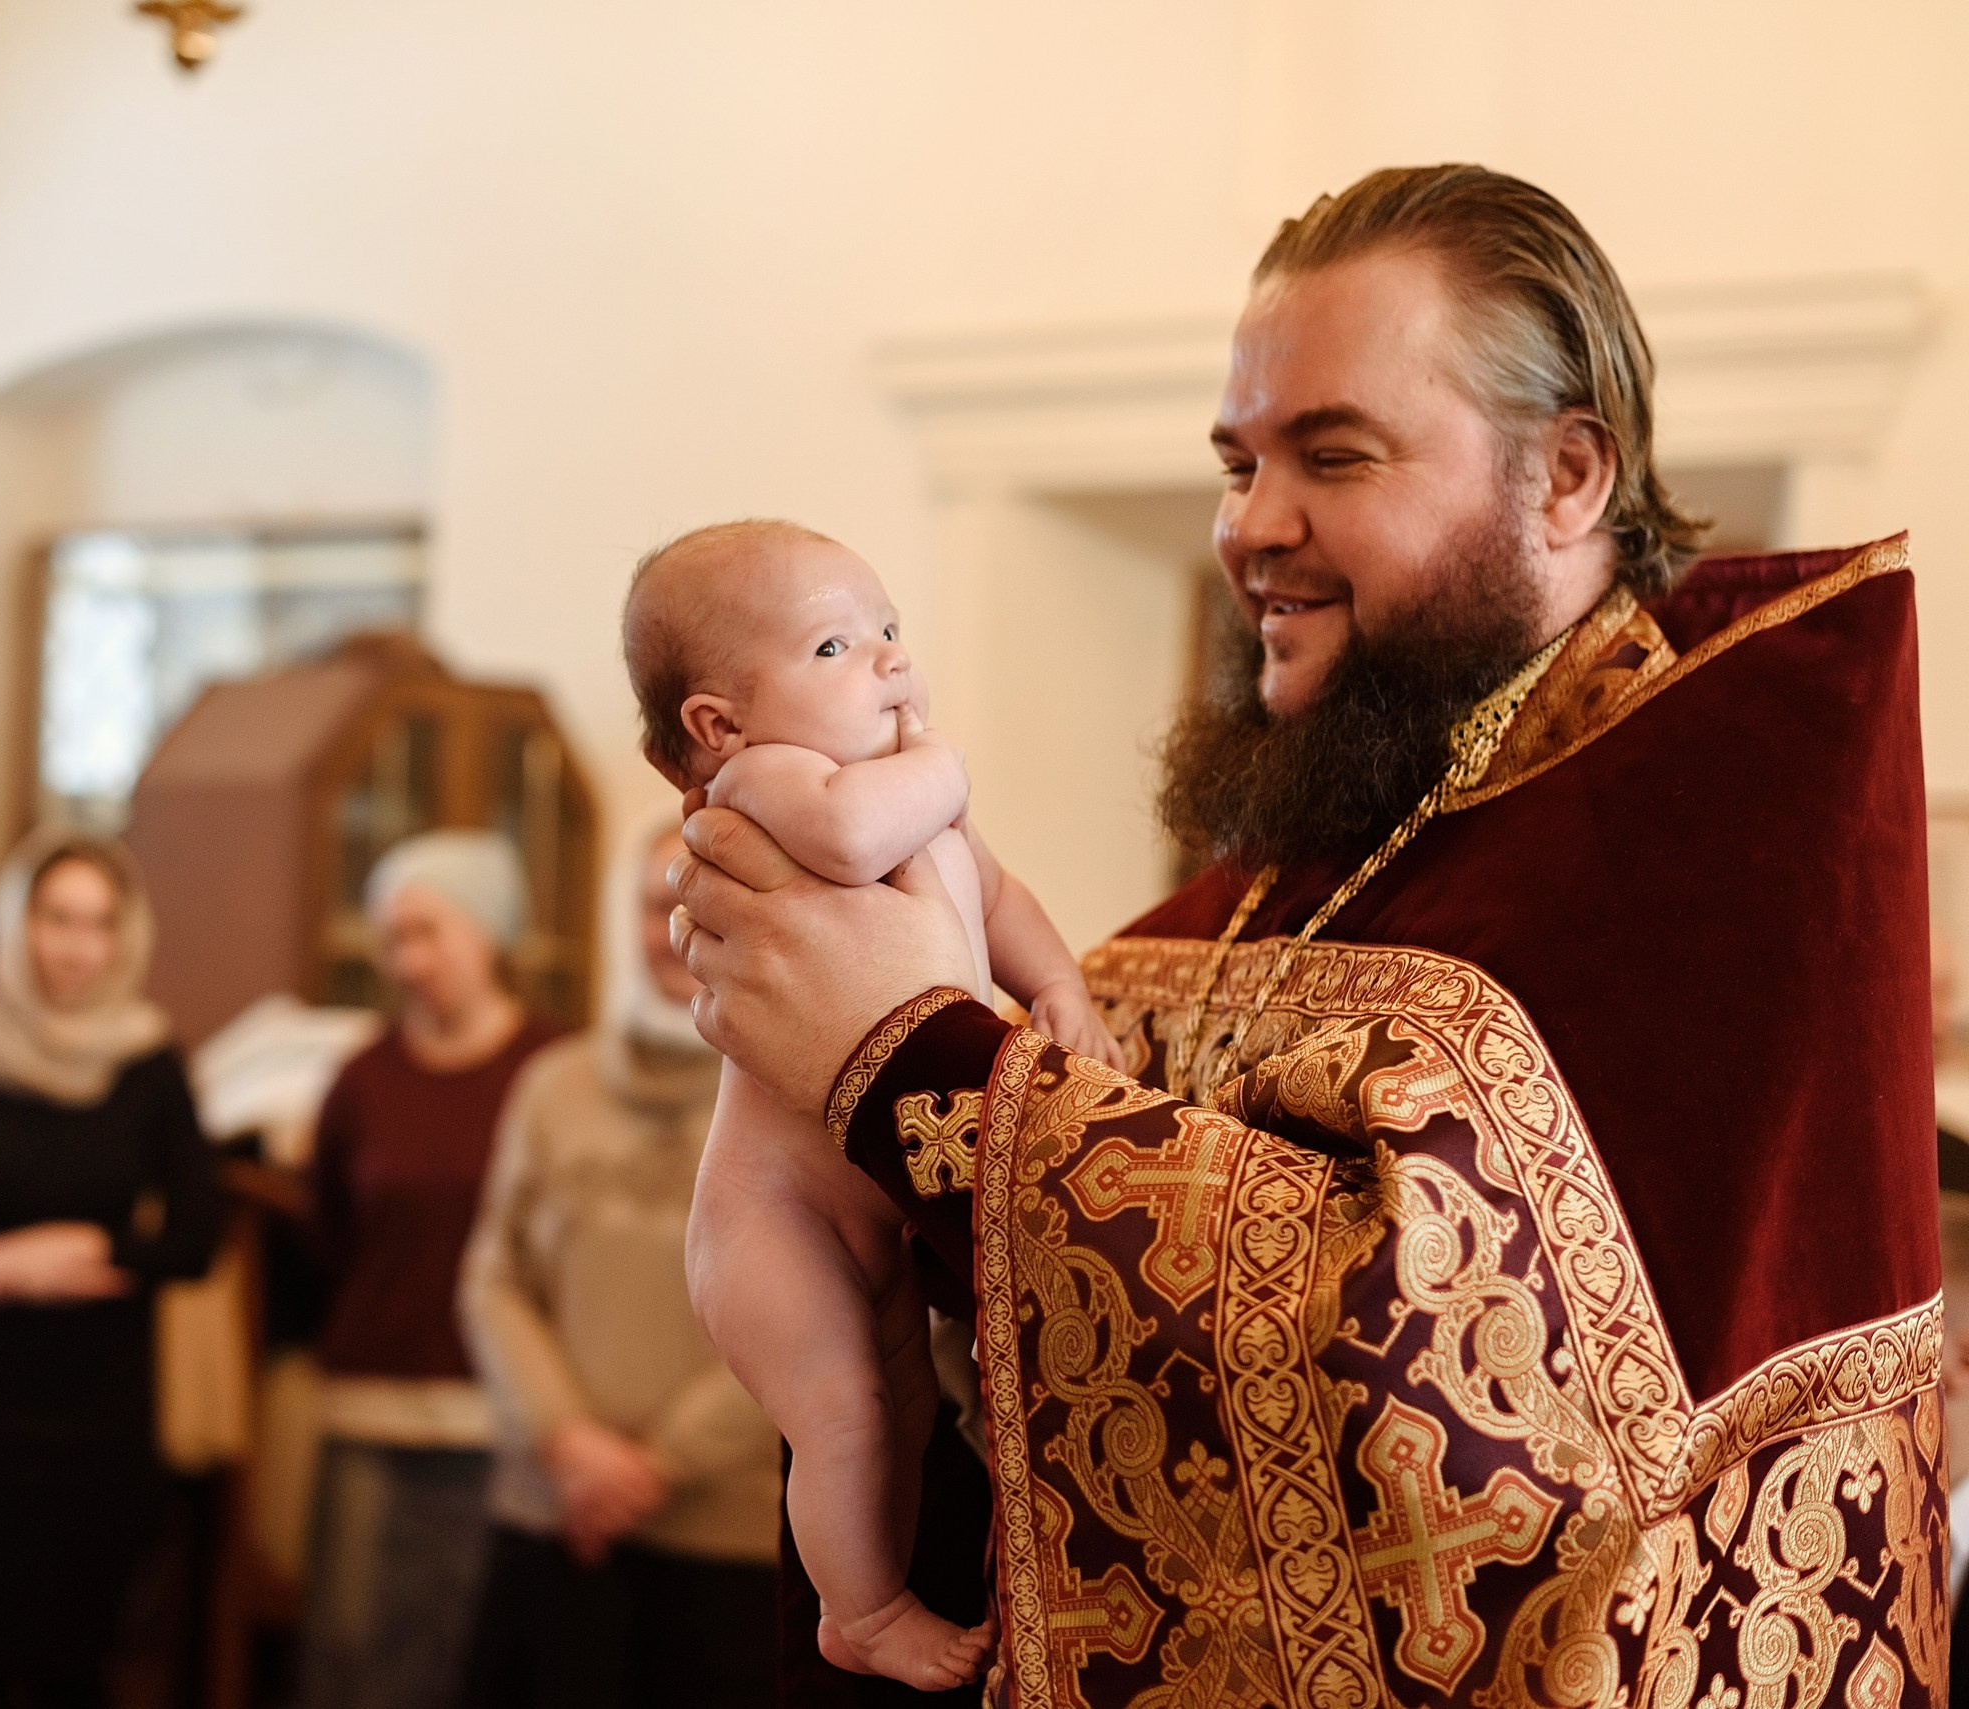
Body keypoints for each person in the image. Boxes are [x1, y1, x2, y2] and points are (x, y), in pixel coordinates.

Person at [669, 165, 1945, 1706]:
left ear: (1568, 477)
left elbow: (1471, 1426)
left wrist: (916, 1068)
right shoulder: (1335, 835)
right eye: (1236, 462)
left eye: (1332, 455)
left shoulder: (1709, 846)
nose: (1251, 529)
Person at [619, 522, 1111, 1688]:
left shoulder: (915, 808)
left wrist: (1055, 984)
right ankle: (862, 1611)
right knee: (842, 1411)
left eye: (890, 629)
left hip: (870, 1204)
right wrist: (945, 768)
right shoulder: (770, 786)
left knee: (901, 1406)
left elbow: (996, 893)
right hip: (771, 1218)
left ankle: (885, 1580)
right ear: (716, 722)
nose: (890, 661)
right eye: (836, 645)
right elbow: (852, 835)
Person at [0, 829, 221, 1709]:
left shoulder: (148, 1060)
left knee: (77, 1670)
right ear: (18, 924)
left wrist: (95, 1251)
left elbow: (198, 1236)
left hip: (97, 1422)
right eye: (56, 918)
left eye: (99, 923)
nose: (76, 946)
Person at [456, 817, 781, 1708]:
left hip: (721, 1541)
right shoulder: (552, 1085)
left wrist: (660, 1465)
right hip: (551, 1515)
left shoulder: (794, 1098)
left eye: (699, 899)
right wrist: (568, 1443)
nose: (672, 927)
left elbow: (810, 1320)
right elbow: (495, 1281)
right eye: (650, 904)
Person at [301, 830, 562, 1709]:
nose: (407, 960)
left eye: (428, 932)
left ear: (487, 934)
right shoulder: (361, 1079)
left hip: (504, 1419)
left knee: (469, 1658)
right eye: (392, 938)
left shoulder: (551, 1070)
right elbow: (327, 1231)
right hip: (370, 1409)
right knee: (352, 1655)